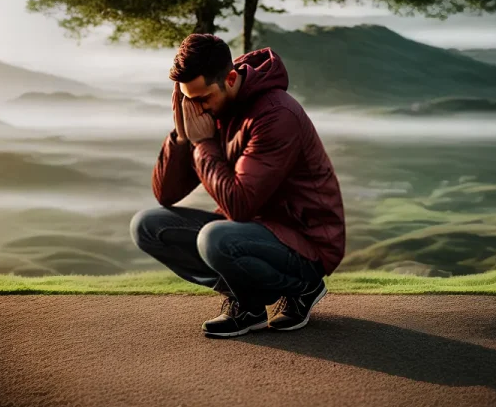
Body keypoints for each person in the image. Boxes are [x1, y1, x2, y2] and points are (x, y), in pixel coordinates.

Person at [129, 33, 346, 338]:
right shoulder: (209, 108)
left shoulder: (276, 115)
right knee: (147, 226)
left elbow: (239, 204)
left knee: (214, 239)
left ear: (230, 79)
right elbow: (166, 194)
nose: (197, 109)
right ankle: (248, 304)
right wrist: (181, 136)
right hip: (248, 229)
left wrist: (203, 142)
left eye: (202, 99)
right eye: (188, 100)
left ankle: (304, 288)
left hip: (304, 244)